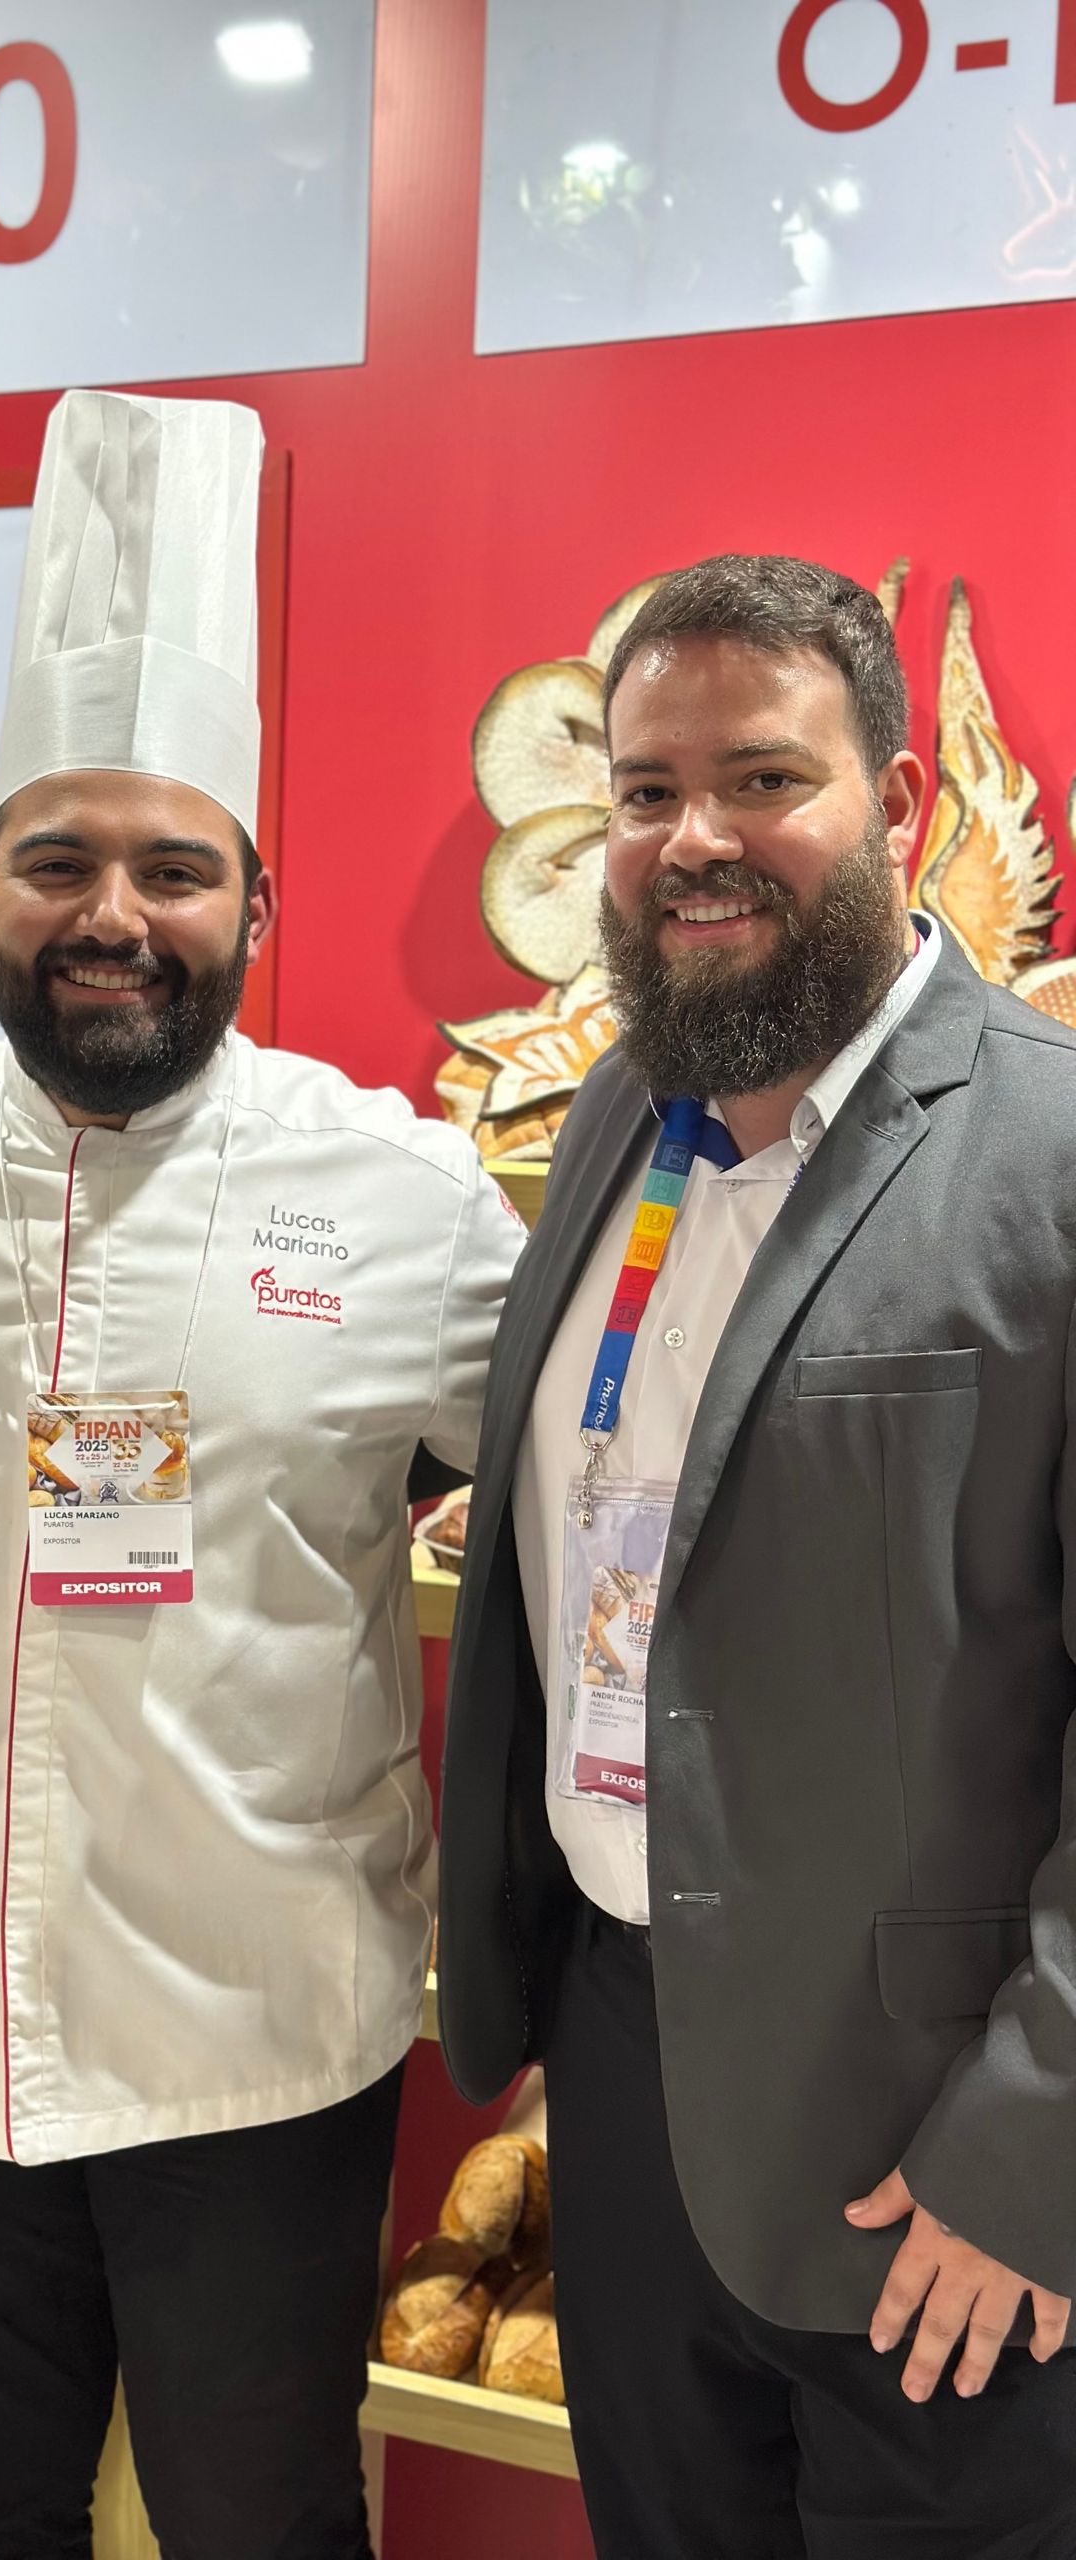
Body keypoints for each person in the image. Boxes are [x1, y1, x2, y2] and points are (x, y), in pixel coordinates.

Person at [0, 387, 524, 2560]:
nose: (115, 910)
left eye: (174, 866)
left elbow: (613, 1493)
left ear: (254, 900)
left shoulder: (401, 1195)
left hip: (257, 2049)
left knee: (263, 2526)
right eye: (60, 860)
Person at [437, 551, 1076, 2557]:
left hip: (932, 2142)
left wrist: (1037, 2141)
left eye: (762, 778)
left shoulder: (1052, 1155)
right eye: (644, 791)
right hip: (632, 2078)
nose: (693, 839)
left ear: (897, 798)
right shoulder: (623, 1110)